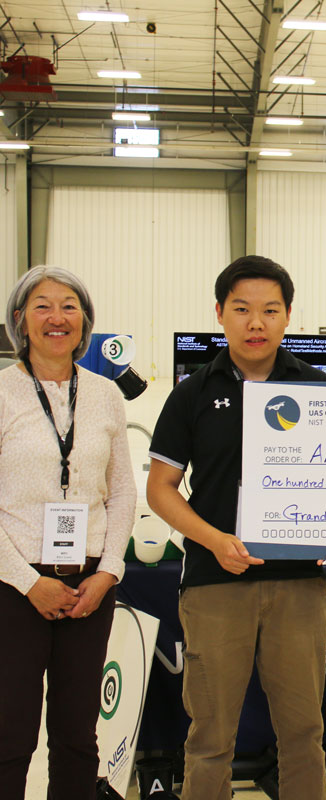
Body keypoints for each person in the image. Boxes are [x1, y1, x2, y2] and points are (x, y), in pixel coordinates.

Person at [147, 255, 326, 800]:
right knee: (210, 737)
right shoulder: (192, 393)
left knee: (304, 734)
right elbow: (160, 488)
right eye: (242, 310)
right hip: (214, 585)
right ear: (220, 314)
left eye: (270, 311)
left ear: (288, 317)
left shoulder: (320, 390)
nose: (256, 323)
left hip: (299, 585)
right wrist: (213, 540)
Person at [0, 266, 137, 800]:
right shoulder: (4, 391)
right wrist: (27, 582)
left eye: (69, 306)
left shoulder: (104, 395)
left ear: (84, 322)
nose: (57, 316)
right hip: (14, 588)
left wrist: (108, 572)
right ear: (21, 321)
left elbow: (122, 492)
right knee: (10, 734)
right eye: (42, 305)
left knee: (78, 736)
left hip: (90, 588)